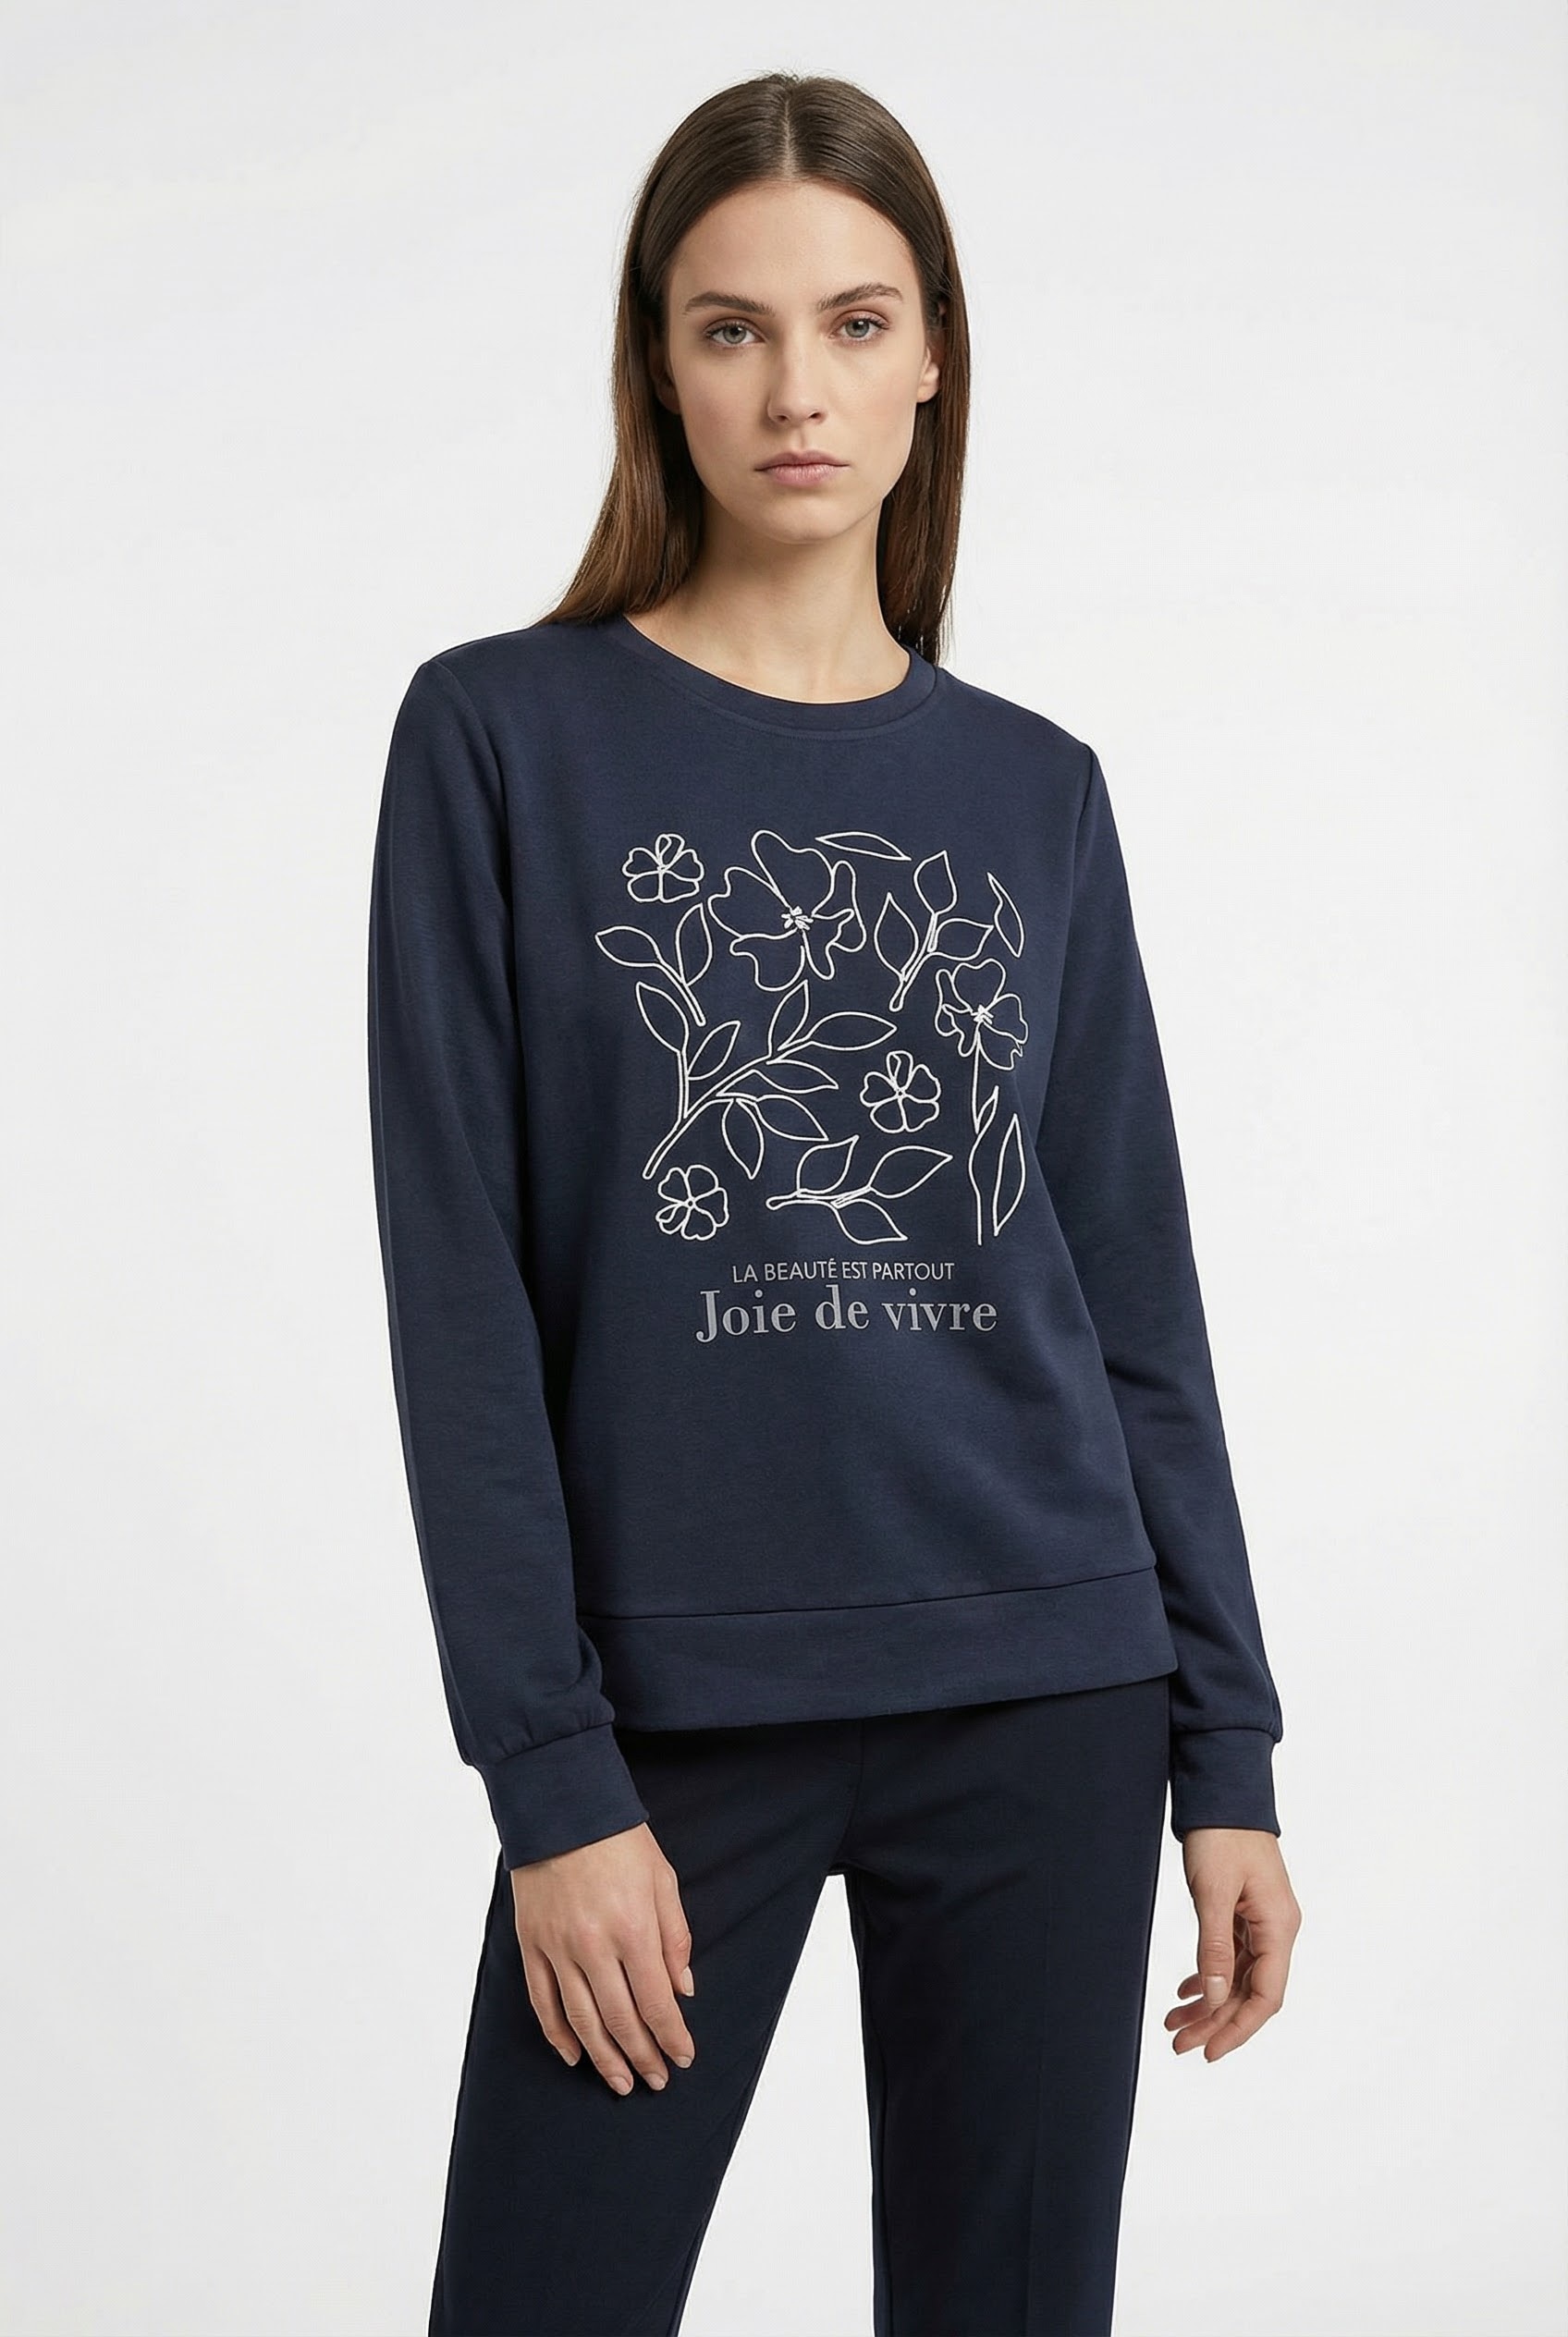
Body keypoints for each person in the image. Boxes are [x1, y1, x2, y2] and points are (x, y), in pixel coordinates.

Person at [366, 68, 1302, 2337]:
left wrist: (1228, 1751)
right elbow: (460, 1299)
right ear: (657, 363)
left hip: (1047, 1686)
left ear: (931, 356)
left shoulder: (1032, 793)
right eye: (733, 328)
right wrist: (549, 1778)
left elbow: (1132, 1303)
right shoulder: (498, 741)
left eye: (853, 323)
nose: (796, 389)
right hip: (665, 1718)